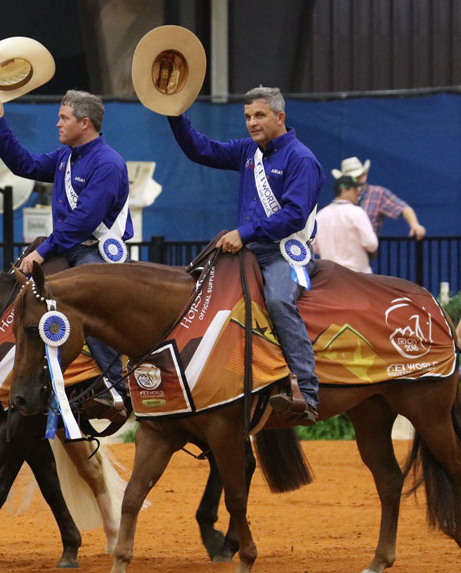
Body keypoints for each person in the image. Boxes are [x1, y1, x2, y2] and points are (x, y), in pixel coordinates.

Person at [168, 86, 323, 423]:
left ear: (280, 117)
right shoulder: (247, 151)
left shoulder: (302, 159)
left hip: (285, 251)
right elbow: (201, 150)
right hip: (251, 249)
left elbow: (294, 215)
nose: (252, 123)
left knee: (280, 301)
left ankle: (307, 395)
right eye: (248, 117)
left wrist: (245, 233)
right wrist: (174, 113)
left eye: (259, 115)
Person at [0, 89, 132, 408]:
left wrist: (42, 251)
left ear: (85, 123)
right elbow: (25, 165)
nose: (58, 124)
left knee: (90, 305)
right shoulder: (66, 156)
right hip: (68, 247)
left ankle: (115, 388)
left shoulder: (107, 163)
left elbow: (83, 220)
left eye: (63, 118)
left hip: (94, 251)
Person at [332, 156, 426, 240]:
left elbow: (404, 208)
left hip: (362, 252)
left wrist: (415, 225)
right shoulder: (341, 199)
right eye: (352, 179)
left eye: (358, 177)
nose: (356, 182)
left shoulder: (378, 194)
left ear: (365, 175)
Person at [313, 175, 378, 273]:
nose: (358, 193)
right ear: (344, 190)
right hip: (357, 276)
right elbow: (371, 244)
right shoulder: (357, 212)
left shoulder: (321, 215)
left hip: (330, 276)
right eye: (355, 189)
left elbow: (314, 247)